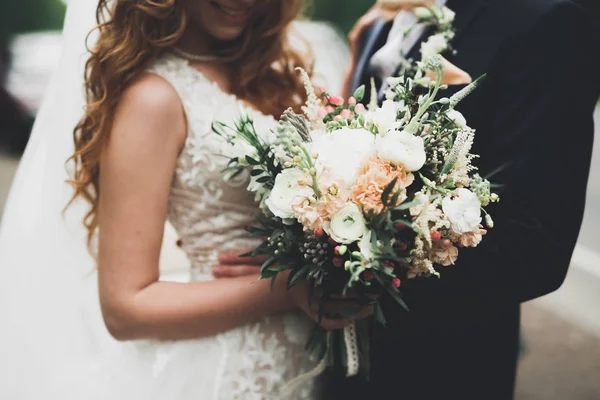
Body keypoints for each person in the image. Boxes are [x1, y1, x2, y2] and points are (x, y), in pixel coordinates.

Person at [0, 0, 370, 398]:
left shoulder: (276, 78)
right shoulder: (154, 98)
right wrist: (285, 288)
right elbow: (125, 308)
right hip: (231, 372)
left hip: (316, 362)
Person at [320, 0, 599, 399]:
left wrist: (366, 277)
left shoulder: (546, 21)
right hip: (342, 368)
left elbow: (536, 248)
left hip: (442, 369)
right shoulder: (380, 24)